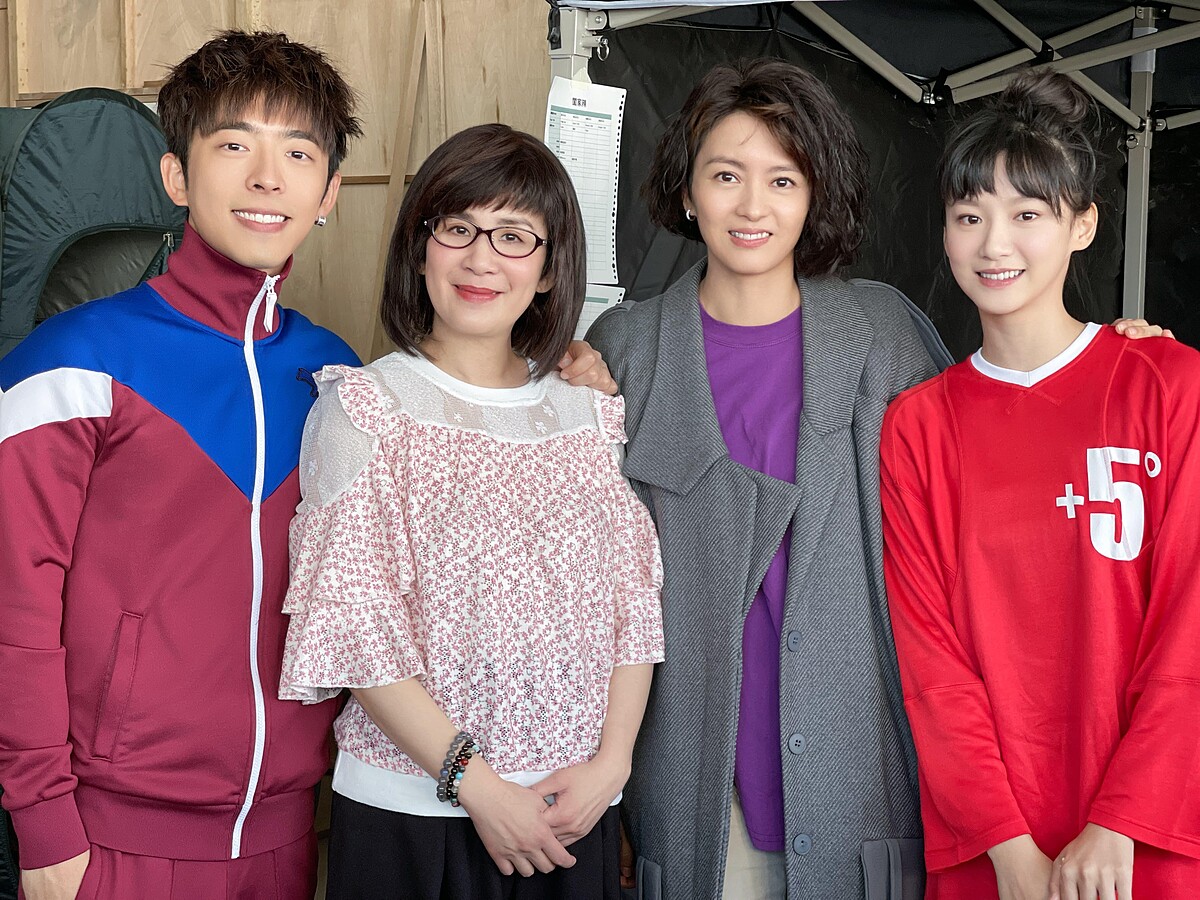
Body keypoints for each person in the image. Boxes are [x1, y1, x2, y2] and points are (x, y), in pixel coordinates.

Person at [0, 31, 613, 900]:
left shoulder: (339, 380)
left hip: (292, 841)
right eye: (233, 145)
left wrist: (567, 370)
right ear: (177, 175)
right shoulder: (72, 365)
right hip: (107, 843)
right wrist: (44, 826)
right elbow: (14, 609)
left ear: (327, 193)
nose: (266, 177)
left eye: (297, 153)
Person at [586, 58, 1168, 900]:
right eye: (726, 176)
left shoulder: (884, 333)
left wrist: (1117, 357)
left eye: (783, 180)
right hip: (696, 783)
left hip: (865, 781)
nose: (753, 207)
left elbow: (999, 436)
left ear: (814, 195)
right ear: (686, 190)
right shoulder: (625, 350)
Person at [277, 123, 664, 900]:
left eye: (514, 236)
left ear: (550, 269)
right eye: (458, 228)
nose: (482, 259)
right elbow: (355, 627)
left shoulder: (589, 411)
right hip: (412, 815)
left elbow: (634, 604)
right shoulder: (364, 408)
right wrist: (478, 787)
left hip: (575, 811)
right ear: (420, 247)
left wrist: (612, 765)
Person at [881, 70, 1200, 900]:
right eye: (969, 216)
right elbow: (932, 663)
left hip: (1150, 841)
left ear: (1082, 224)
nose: (995, 244)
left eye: (1028, 214)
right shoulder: (918, 426)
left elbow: (1190, 625)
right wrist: (1007, 849)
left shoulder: (1169, 386)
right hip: (991, 853)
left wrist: (1121, 821)